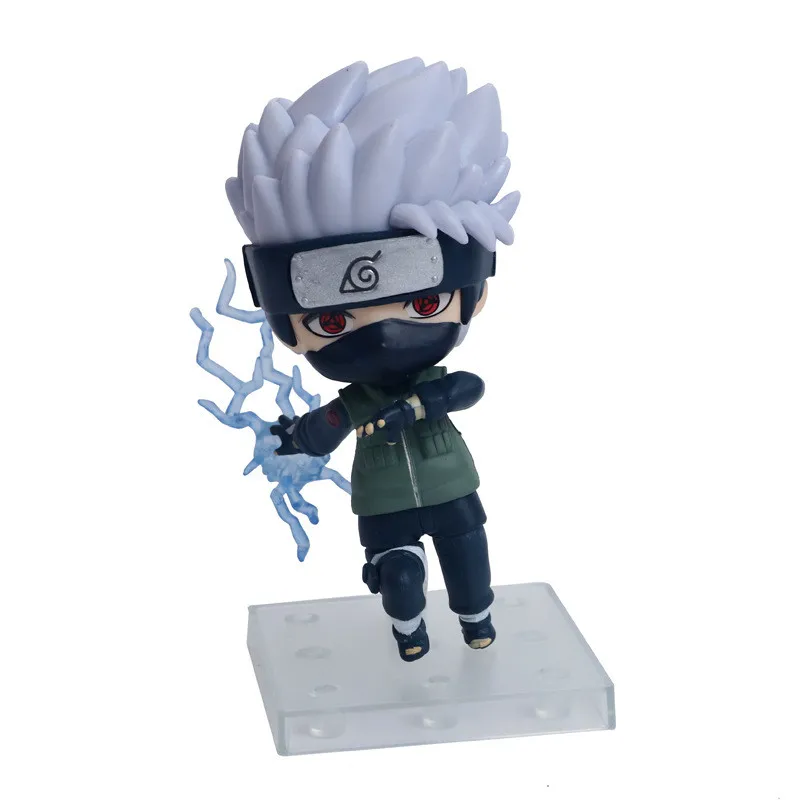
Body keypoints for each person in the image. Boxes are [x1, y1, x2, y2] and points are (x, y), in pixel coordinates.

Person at [226, 58, 520, 661]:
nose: (382, 337)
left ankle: (476, 618)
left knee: (467, 559)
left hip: (451, 484)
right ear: (286, 323)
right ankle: (408, 626)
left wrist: (421, 405)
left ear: (475, 293)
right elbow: (327, 425)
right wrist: (295, 437)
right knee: (400, 575)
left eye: (422, 303)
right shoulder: (357, 403)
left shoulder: (431, 383)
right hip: (382, 497)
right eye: (333, 321)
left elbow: (466, 387)